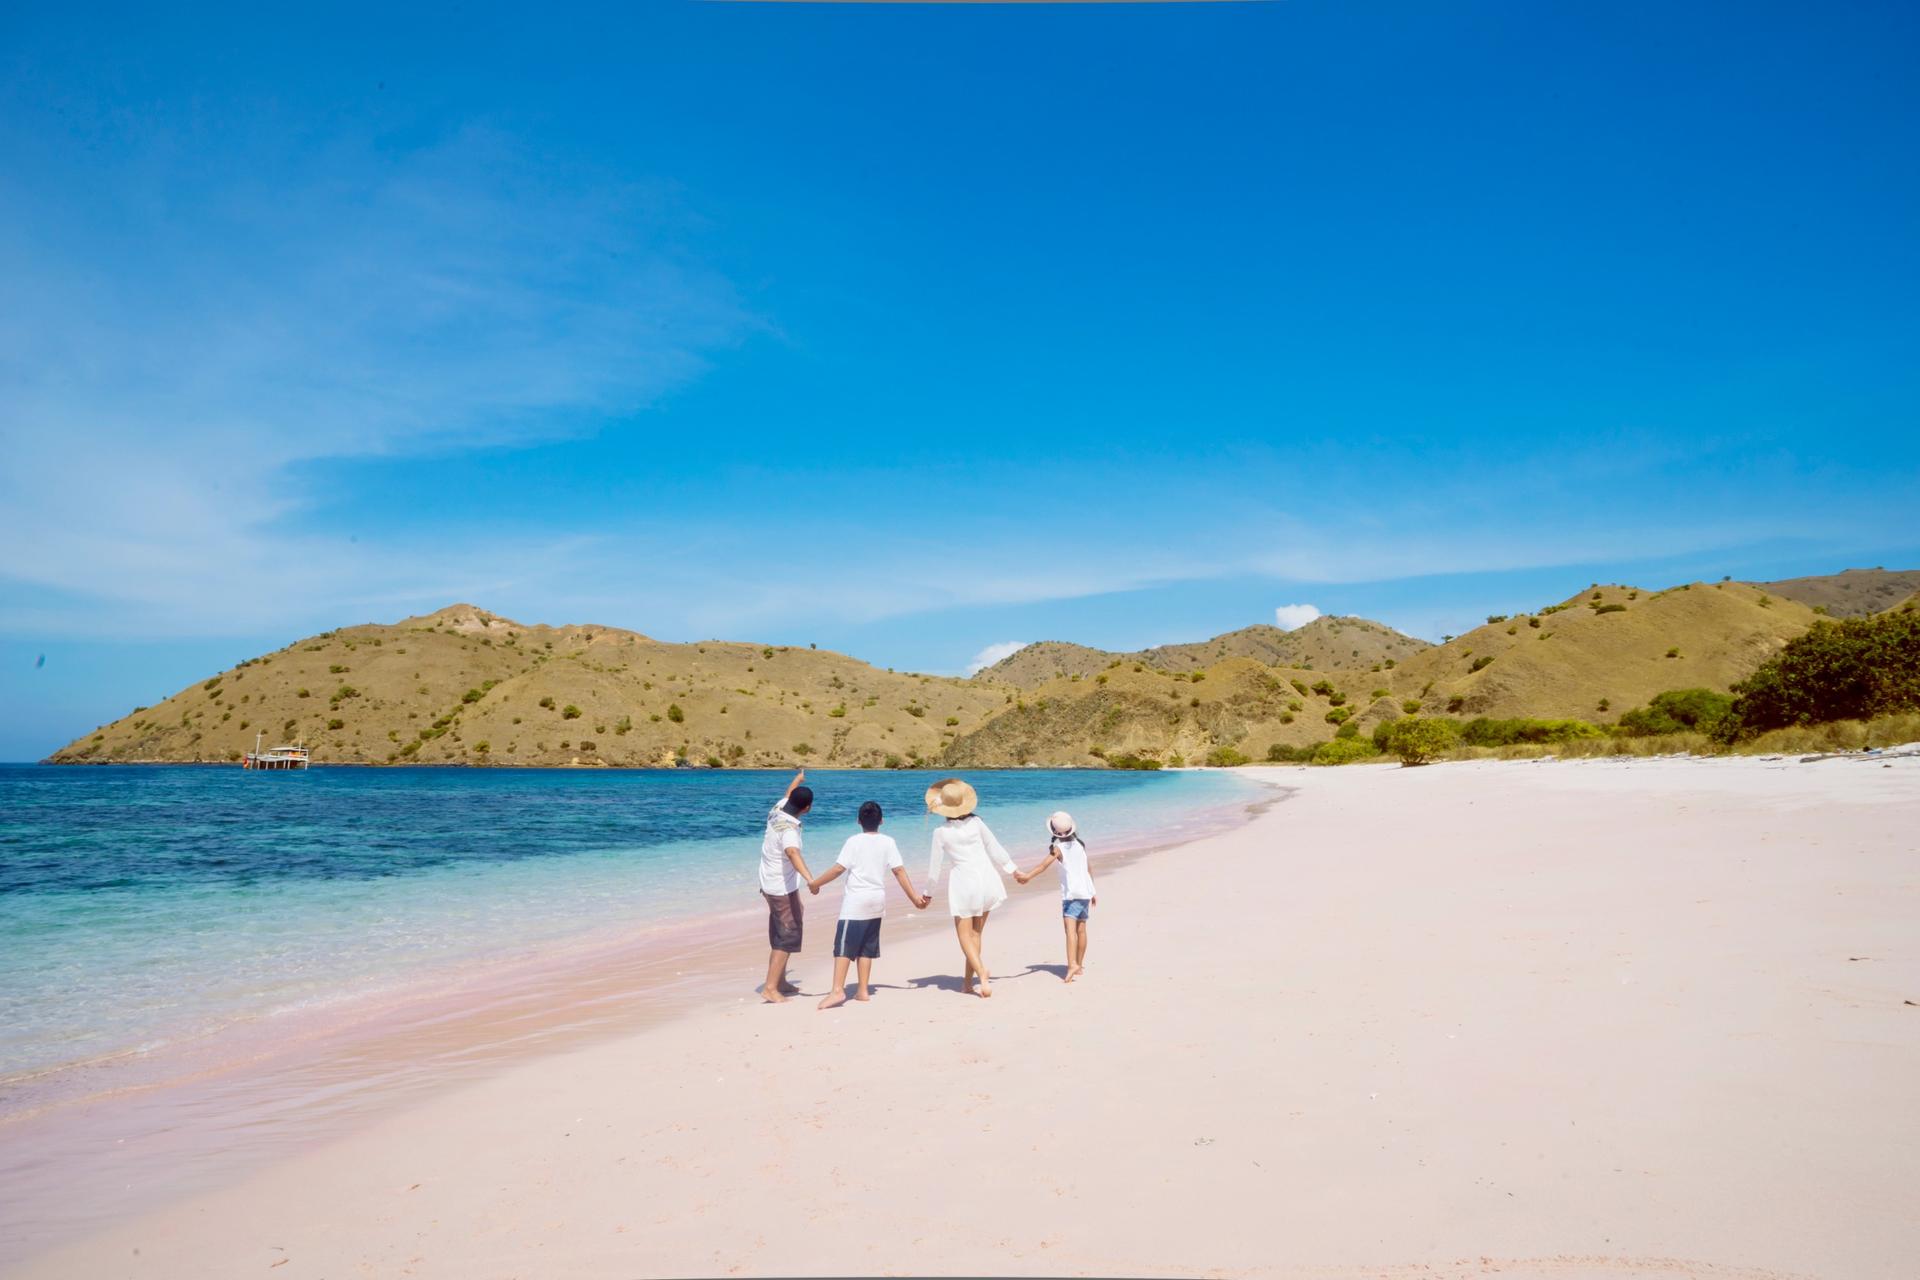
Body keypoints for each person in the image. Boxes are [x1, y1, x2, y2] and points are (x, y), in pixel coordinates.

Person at [808, 800, 930, 1010]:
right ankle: (863, 990)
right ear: (881, 821)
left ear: (858, 821)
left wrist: (815, 883)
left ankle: (837, 990)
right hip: (877, 901)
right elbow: (899, 871)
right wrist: (915, 899)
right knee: (866, 946)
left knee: (844, 947)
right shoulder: (888, 842)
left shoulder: (853, 841)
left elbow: (838, 869)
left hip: (856, 902)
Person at [924, 778, 1018, 998]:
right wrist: (1013, 870)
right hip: (987, 879)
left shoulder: (940, 832)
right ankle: (967, 983)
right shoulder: (977, 823)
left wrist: (927, 893)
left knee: (964, 936)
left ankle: (982, 974)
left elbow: (934, 868)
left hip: (964, 883)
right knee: (976, 934)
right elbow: (994, 847)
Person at [1013, 810, 1096, 982]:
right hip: (1085, 893)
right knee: (1082, 929)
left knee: (1070, 932)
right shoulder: (1080, 844)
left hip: (1071, 895)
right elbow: (1088, 868)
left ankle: (1072, 964)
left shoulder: (1058, 849)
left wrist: (1027, 876)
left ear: (1055, 832)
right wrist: (1092, 891)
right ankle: (1079, 965)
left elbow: (1043, 866)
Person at [757, 769, 816, 1003]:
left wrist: (798, 779)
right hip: (779, 887)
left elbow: (788, 793)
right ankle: (770, 988)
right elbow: (792, 853)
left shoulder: (778, 810)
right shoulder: (790, 831)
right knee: (788, 933)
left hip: (769, 882)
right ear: (807, 808)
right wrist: (811, 880)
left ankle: (780, 981)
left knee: (786, 926)